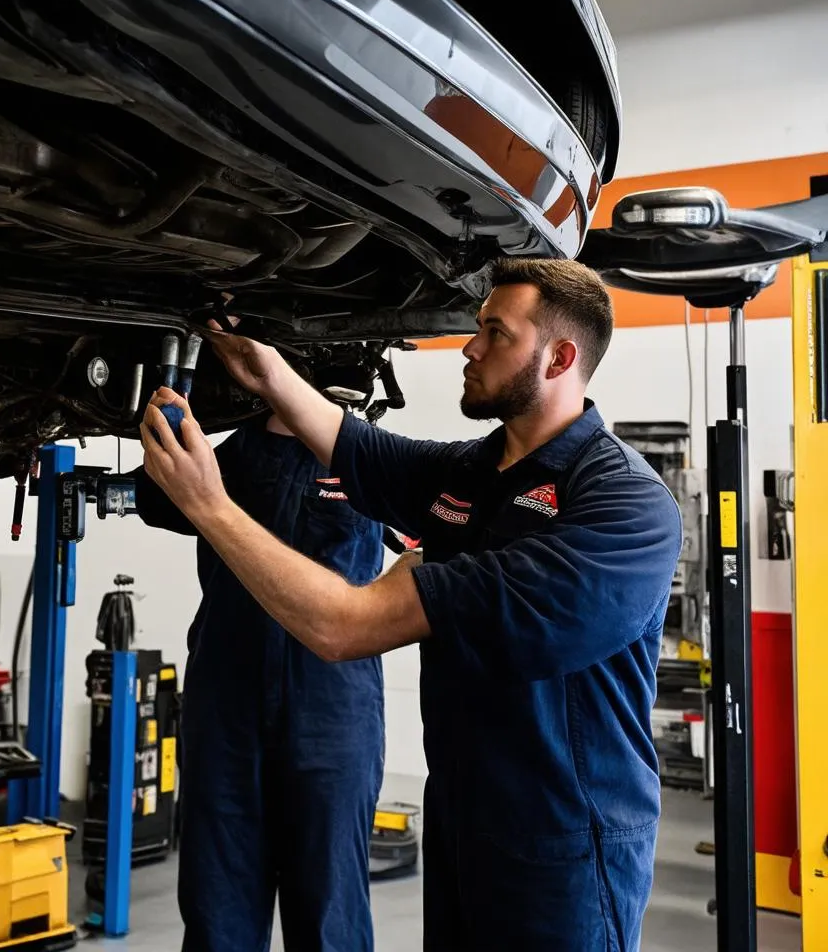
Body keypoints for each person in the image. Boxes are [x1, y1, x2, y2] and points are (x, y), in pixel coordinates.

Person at [139, 257, 684, 951]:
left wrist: (209, 505)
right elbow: (362, 448)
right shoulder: (475, 472)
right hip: (463, 824)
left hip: (564, 846)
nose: (470, 346)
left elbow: (344, 626)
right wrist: (267, 370)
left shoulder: (619, 507)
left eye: (494, 333)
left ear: (560, 357)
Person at [131, 405, 386, 952]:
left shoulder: (367, 456)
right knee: (217, 909)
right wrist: (166, 411)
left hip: (333, 709)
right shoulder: (230, 458)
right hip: (227, 702)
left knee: (329, 911)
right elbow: (152, 493)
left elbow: (439, 519)